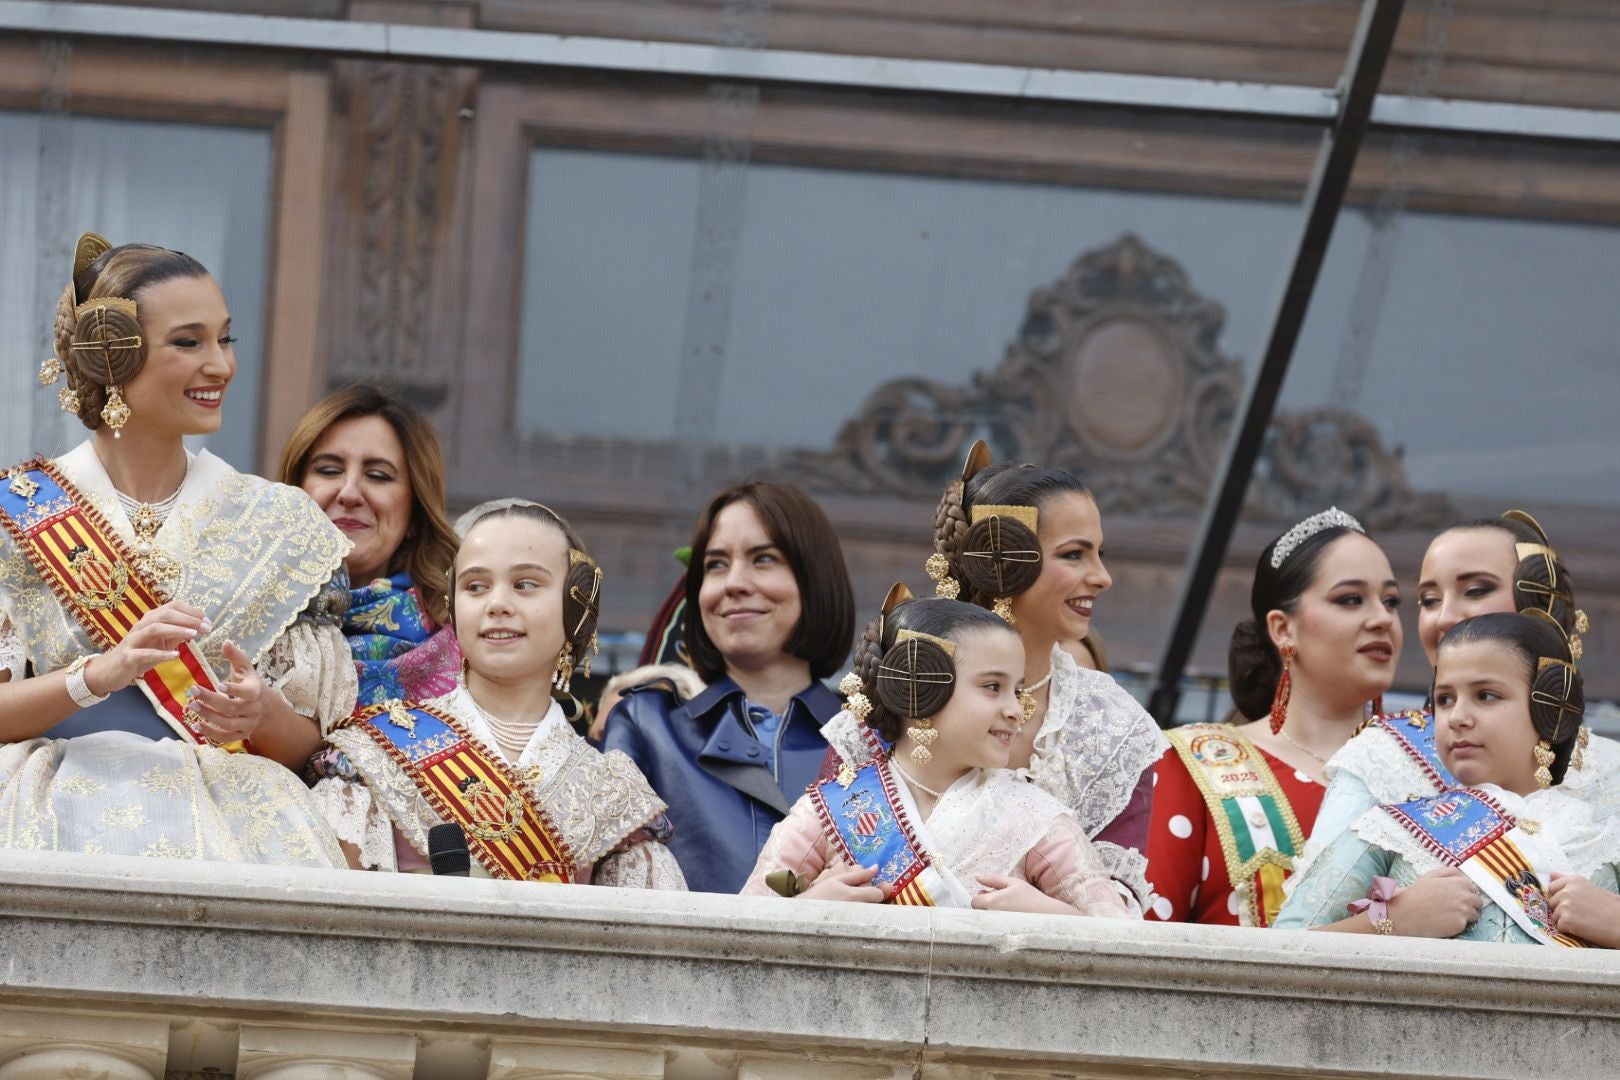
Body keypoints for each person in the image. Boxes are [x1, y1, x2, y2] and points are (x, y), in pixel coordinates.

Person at [0, 232, 353, 865]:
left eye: (225, 339)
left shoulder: (280, 523)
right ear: (113, 356)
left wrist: (258, 714)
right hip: (44, 813)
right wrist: (99, 675)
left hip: (230, 828)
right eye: (188, 342)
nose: (220, 365)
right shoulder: (14, 516)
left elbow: (313, 750)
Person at [309, 501, 684, 887]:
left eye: (525, 584)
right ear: (453, 606)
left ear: (578, 608)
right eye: (475, 586)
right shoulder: (379, 751)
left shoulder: (610, 792)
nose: (497, 604)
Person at [743, 591, 1134, 917]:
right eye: (992, 686)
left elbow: (1122, 936)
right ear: (919, 691)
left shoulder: (1036, 818)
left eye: (1017, 689)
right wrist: (813, 906)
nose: (1017, 709)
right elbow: (742, 926)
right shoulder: (831, 808)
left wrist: (1048, 916)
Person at [1292, 512, 1618, 883]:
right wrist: (1394, 920)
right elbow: (1302, 932)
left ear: (1542, 602)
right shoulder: (1382, 756)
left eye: (1476, 590)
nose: (1444, 618)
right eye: (1429, 600)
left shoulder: (1611, 769)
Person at [1275, 612, 1619, 945]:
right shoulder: (1389, 831)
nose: (1456, 717)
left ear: (1550, 709)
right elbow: (1272, 954)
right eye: (1444, 699)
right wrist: (1394, 922)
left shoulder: (1603, 839)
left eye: (1486, 695)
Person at [923, 441, 1164, 904]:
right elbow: (828, 836)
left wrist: (1047, 913)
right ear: (1002, 560)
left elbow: (1123, 918)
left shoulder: (1112, 725)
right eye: (1074, 554)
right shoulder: (908, 677)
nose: (1101, 576)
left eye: (1099, 553)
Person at [1144, 508, 1401, 926]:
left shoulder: (1433, 769)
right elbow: (1143, 949)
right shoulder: (1192, 763)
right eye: (1350, 599)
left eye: (1391, 601)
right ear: (1283, 629)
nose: (1382, 618)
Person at [603, 481, 855, 893]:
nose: (733, 582)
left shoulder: (873, 741)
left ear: (814, 578)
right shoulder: (646, 726)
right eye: (716, 564)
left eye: (764, 559)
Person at [280, 384, 461, 707]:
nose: (349, 493)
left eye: (377, 475)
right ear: (293, 494)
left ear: (415, 515)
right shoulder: (245, 621)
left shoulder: (465, 640)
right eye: (329, 470)